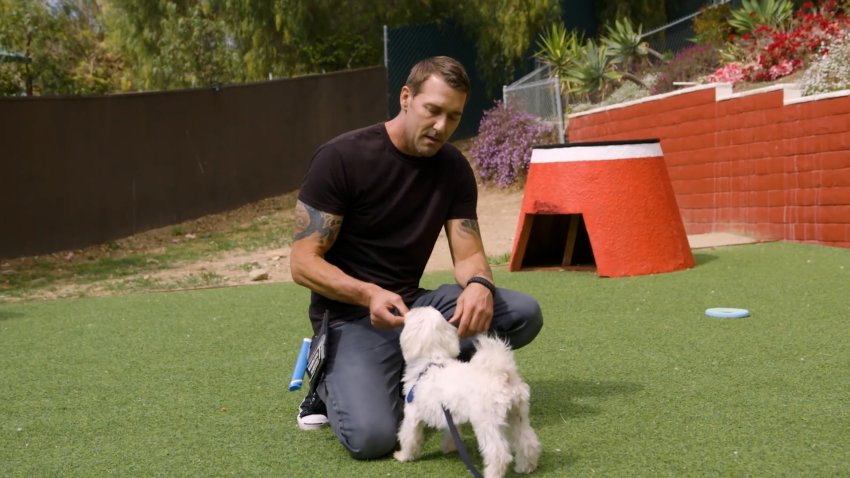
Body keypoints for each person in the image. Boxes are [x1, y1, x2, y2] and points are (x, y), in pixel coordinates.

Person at [289, 56, 543, 459]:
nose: (442, 126)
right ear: (406, 98)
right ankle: (324, 380)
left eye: (454, 116)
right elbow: (303, 261)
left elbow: (470, 253)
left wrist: (479, 285)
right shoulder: (340, 158)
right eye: (433, 110)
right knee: (372, 437)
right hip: (351, 318)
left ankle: (445, 382)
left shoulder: (454, 169)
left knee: (521, 313)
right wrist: (368, 294)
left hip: (415, 309)